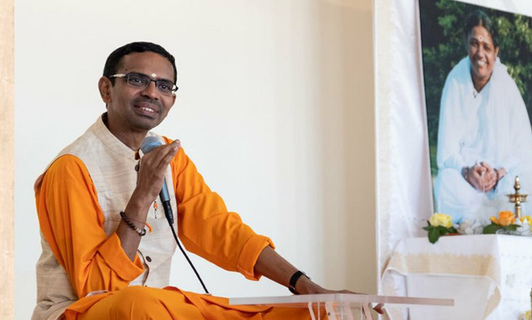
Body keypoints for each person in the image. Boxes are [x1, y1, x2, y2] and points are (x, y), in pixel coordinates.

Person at [33, 42, 383, 320]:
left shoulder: (169, 156)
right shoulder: (71, 168)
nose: (152, 92)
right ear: (106, 89)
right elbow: (96, 288)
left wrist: (304, 285)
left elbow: (221, 230)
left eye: (164, 85)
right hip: (86, 312)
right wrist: (141, 197)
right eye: (138, 80)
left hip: (157, 309)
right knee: (139, 304)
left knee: (308, 315)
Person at [433, 10, 532, 224]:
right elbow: (447, 151)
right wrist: (468, 172)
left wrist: (497, 172)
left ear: (496, 52)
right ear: (467, 46)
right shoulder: (455, 81)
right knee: (445, 184)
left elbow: (521, 148)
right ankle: (489, 221)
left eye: (486, 47)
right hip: (468, 179)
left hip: (503, 177)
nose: (480, 53)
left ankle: (490, 220)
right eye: (474, 44)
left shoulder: (507, 86)